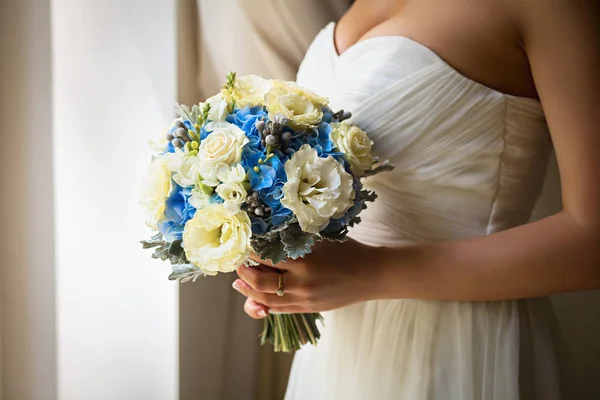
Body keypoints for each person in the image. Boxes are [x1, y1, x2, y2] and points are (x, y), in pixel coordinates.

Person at [231, 0, 600, 398]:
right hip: (341, 346)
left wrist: (373, 273)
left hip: (463, 342)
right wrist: (283, 263)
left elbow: (592, 238)